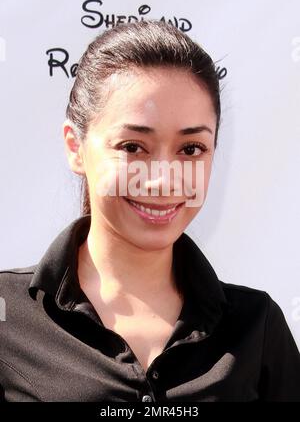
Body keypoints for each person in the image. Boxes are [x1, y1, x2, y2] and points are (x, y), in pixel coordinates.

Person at [1, 20, 299, 402]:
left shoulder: (256, 326)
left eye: (190, 149)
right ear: (76, 148)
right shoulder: (8, 318)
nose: (162, 180)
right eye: (132, 147)